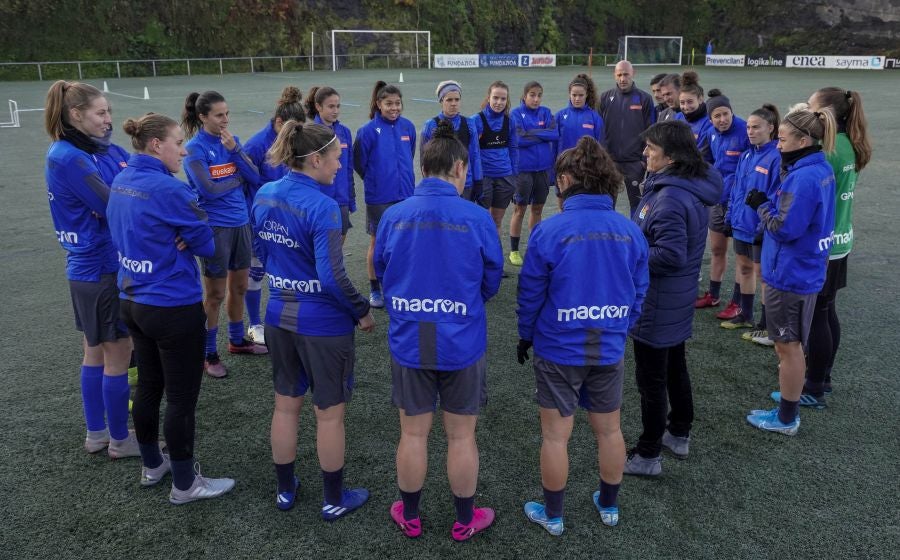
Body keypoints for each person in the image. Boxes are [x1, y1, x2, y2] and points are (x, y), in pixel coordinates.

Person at [375, 121, 503, 541]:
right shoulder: (476, 217)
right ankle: (464, 520)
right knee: (461, 435)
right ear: (461, 169)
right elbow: (491, 278)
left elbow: (381, 272)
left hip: (411, 339)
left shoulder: (394, 215)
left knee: (413, 433)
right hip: (461, 340)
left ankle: (409, 515)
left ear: (422, 168)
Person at [516, 136, 649, 536]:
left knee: (556, 436)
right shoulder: (629, 230)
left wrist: (526, 335)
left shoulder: (549, 230)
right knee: (609, 429)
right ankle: (609, 506)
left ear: (566, 180)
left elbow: (531, 293)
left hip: (558, 349)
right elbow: (638, 293)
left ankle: (553, 515)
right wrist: (619, 328)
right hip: (608, 347)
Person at [108, 113, 235, 503]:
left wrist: (177, 234)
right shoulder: (171, 190)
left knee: (148, 385)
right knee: (180, 399)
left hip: (132, 301)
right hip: (172, 307)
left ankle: (152, 465)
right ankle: (185, 484)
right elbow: (208, 246)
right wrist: (184, 235)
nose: (183, 150)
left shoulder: (121, 178)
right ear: (155, 145)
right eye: (177, 143)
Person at [253, 121, 376, 517]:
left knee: (285, 407)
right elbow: (332, 277)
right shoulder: (323, 206)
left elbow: (260, 249)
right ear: (316, 158)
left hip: (278, 316)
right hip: (321, 325)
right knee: (329, 414)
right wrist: (360, 310)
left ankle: (285, 492)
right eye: (337, 157)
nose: (341, 165)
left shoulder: (265, 193)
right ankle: (333, 499)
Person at [44, 80, 138, 458]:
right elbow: (112, 204)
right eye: (101, 113)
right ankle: (120, 439)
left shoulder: (78, 151)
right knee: (118, 352)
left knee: (94, 351)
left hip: (86, 269)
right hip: (101, 268)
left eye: (109, 111)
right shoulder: (71, 158)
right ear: (75, 114)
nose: (108, 119)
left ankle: (97, 433)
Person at [627, 120, 722, 475]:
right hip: (674, 301)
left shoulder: (669, 199)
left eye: (651, 148)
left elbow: (669, 255)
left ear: (672, 156)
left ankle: (648, 453)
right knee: (674, 369)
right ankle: (678, 432)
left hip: (657, 302)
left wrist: (629, 255)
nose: (644, 153)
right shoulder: (684, 186)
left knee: (651, 381)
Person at [746, 109, 837, 435]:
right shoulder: (817, 168)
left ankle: (786, 416)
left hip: (790, 272)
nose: (778, 145)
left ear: (803, 139)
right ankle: (790, 397)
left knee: (788, 347)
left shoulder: (804, 177)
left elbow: (785, 228)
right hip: (801, 268)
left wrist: (760, 204)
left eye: (782, 139)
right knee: (790, 345)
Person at [182, 90, 266, 379]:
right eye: (219, 115)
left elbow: (254, 176)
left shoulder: (232, 142)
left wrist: (234, 153)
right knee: (215, 294)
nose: (225, 120)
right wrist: (236, 177)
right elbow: (208, 190)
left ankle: (236, 340)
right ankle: (208, 353)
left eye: (227, 114)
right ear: (203, 116)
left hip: (241, 223)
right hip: (215, 228)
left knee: (239, 287)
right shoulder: (194, 149)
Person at [797, 88, 871, 406]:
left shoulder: (828, 150)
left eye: (812, 106)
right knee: (827, 311)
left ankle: (813, 387)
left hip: (824, 243)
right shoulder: (849, 144)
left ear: (826, 112)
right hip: (841, 240)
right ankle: (822, 379)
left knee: (817, 316)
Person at [242, 86, 307, 347]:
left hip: (289, 218)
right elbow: (245, 183)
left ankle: (289, 319)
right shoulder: (257, 145)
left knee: (288, 269)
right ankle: (255, 323)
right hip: (261, 221)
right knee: (255, 272)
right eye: (293, 128)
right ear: (279, 122)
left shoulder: (294, 139)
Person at [353, 81, 416, 309]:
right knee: (377, 242)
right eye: (389, 103)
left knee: (403, 241)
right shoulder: (368, 131)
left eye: (398, 103)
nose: (394, 108)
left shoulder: (408, 127)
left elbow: (410, 154)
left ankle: (400, 284)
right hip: (379, 197)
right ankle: (374, 288)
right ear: (379, 104)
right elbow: (359, 163)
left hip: (406, 196)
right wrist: (377, 181)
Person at [727, 104, 782, 345]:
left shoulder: (776, 157)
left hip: (760, 229)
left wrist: (762, 226)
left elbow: (774, 195)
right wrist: (731, 215)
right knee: (743, 268)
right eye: (748, 127)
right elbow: (737, 188)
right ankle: (746, 314)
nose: (750, 131)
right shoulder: (747, 155)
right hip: (740, 224)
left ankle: (765, 324)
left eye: (756, 127)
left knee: (763, 275)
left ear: (771, 128)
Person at [702, 90, 751, 327]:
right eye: (717, 116)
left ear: (732, 112)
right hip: (718, 201)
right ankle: (713, 295)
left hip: (739, 205)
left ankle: (738, 302)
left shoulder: (744, 131)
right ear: (710, 119)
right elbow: (708, 161)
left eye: (725, 114)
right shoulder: (711, 133)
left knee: (742, 259)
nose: (722, 119)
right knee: (717, 249)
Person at [509, 81, 558, 266]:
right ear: (524, 96)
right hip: (524, 170)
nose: (536, 99)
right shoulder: (515, 113)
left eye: (539, 95)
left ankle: (533, 247)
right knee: (519, 209)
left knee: (537, 209)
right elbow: (520, 139)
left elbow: (555, 133)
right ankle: (514, 250)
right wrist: (542, 134)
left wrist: (533, 133)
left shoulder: (545, 112)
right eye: (532, 95)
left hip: (543, 169)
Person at [599, 60, 656, 214]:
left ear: (633, 74)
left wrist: (644, 161)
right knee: (607, 204)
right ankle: (608, 235)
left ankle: (636, 235)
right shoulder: (605, 98)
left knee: (637, 204)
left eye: (626, 75)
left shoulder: (645, 99)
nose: (622, 79)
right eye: (619, 75)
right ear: (614, 75)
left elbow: (651, 131)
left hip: (635, 163)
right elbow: (599, 131)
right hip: (610, 162)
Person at [306, 86, 357, 243]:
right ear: (318, 107)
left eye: (338, 106)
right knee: (317, 248)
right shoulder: (309, 132)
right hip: (318, 200)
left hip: (341, 201)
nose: (335, 110)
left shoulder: (344, 132)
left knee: (336, 249)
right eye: (331, 106)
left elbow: (348, 169)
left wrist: (350, 199)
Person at [472, 80, 519, 244]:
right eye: (496, 98)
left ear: (507, 100)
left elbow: (514, 149)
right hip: (484, 178)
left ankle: (494, 261)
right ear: (489, 97)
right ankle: (480, 260)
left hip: (505, 179)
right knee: (482, 223)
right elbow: (473, 153)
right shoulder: (476, 121)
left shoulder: (510, 121)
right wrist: (476, 179)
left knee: (497, 222)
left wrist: (514, 176)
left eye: (503, 99)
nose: (499, 102)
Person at [420, 80, 483, 202]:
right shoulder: (430, 125)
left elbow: (475, 155)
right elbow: (424, 158)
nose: (454, 103)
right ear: (441, 101)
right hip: (440, 185)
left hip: (465, 184)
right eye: (449, 100)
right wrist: (427, 182)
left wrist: (478, 181)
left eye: (457, 99)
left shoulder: (469, 124)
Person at [555, 74, 605, 209]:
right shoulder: (560, 116)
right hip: (564, 168)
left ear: (587, 95)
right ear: (569, 94)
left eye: (581, 95)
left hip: (586, 169)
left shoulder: (594, 117)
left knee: (583, 205)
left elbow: (600, 145)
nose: (577, 98)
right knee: (564, 206)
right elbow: (553, 144)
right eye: (574, 95)